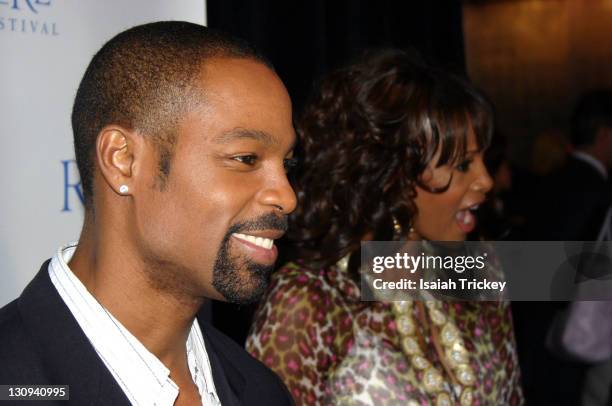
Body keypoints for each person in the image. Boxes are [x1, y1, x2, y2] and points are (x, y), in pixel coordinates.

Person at [0, 21, 297, 405]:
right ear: (123, 160)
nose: (287, 197)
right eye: (245, 159)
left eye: (287, 164)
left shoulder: (262, 392)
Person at [246, 50, 523, 405]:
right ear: (393, 174)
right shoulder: (309, 300)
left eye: (485, 160)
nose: (485, 180)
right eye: (463, 164)